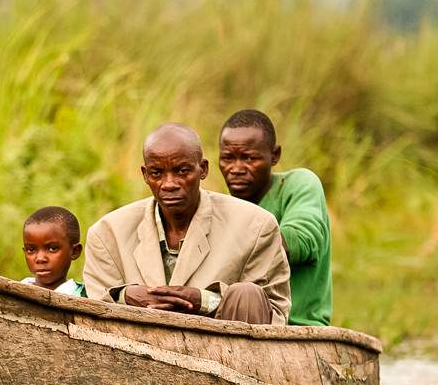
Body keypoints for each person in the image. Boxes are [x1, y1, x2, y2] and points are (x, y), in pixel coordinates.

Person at [83, 123, 290, 324]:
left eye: (182, 171)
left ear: (203, 169)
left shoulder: (255, 226)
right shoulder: (107, 233)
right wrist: (124, 296)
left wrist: (203, 302)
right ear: (145, 175)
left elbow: (273, 312)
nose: (169, 184)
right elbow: (93, 310)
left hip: (226, 353)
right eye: (157, 173)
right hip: (135, 351)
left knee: (247, 294)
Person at [218, 109, 331, 326]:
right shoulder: (225, 207)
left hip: (297, 326)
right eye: (228, 158)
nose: (236, 169)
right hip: (234, 325)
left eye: (249, 158)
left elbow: (303, 241)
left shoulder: (299, 184)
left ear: (275, 155)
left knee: (246, 294)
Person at [20, 206, 88, 297]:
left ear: (75, 251)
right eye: (31, 250)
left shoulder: (85, 297)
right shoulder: (13, 291)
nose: (40, 258)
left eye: (52, 248)